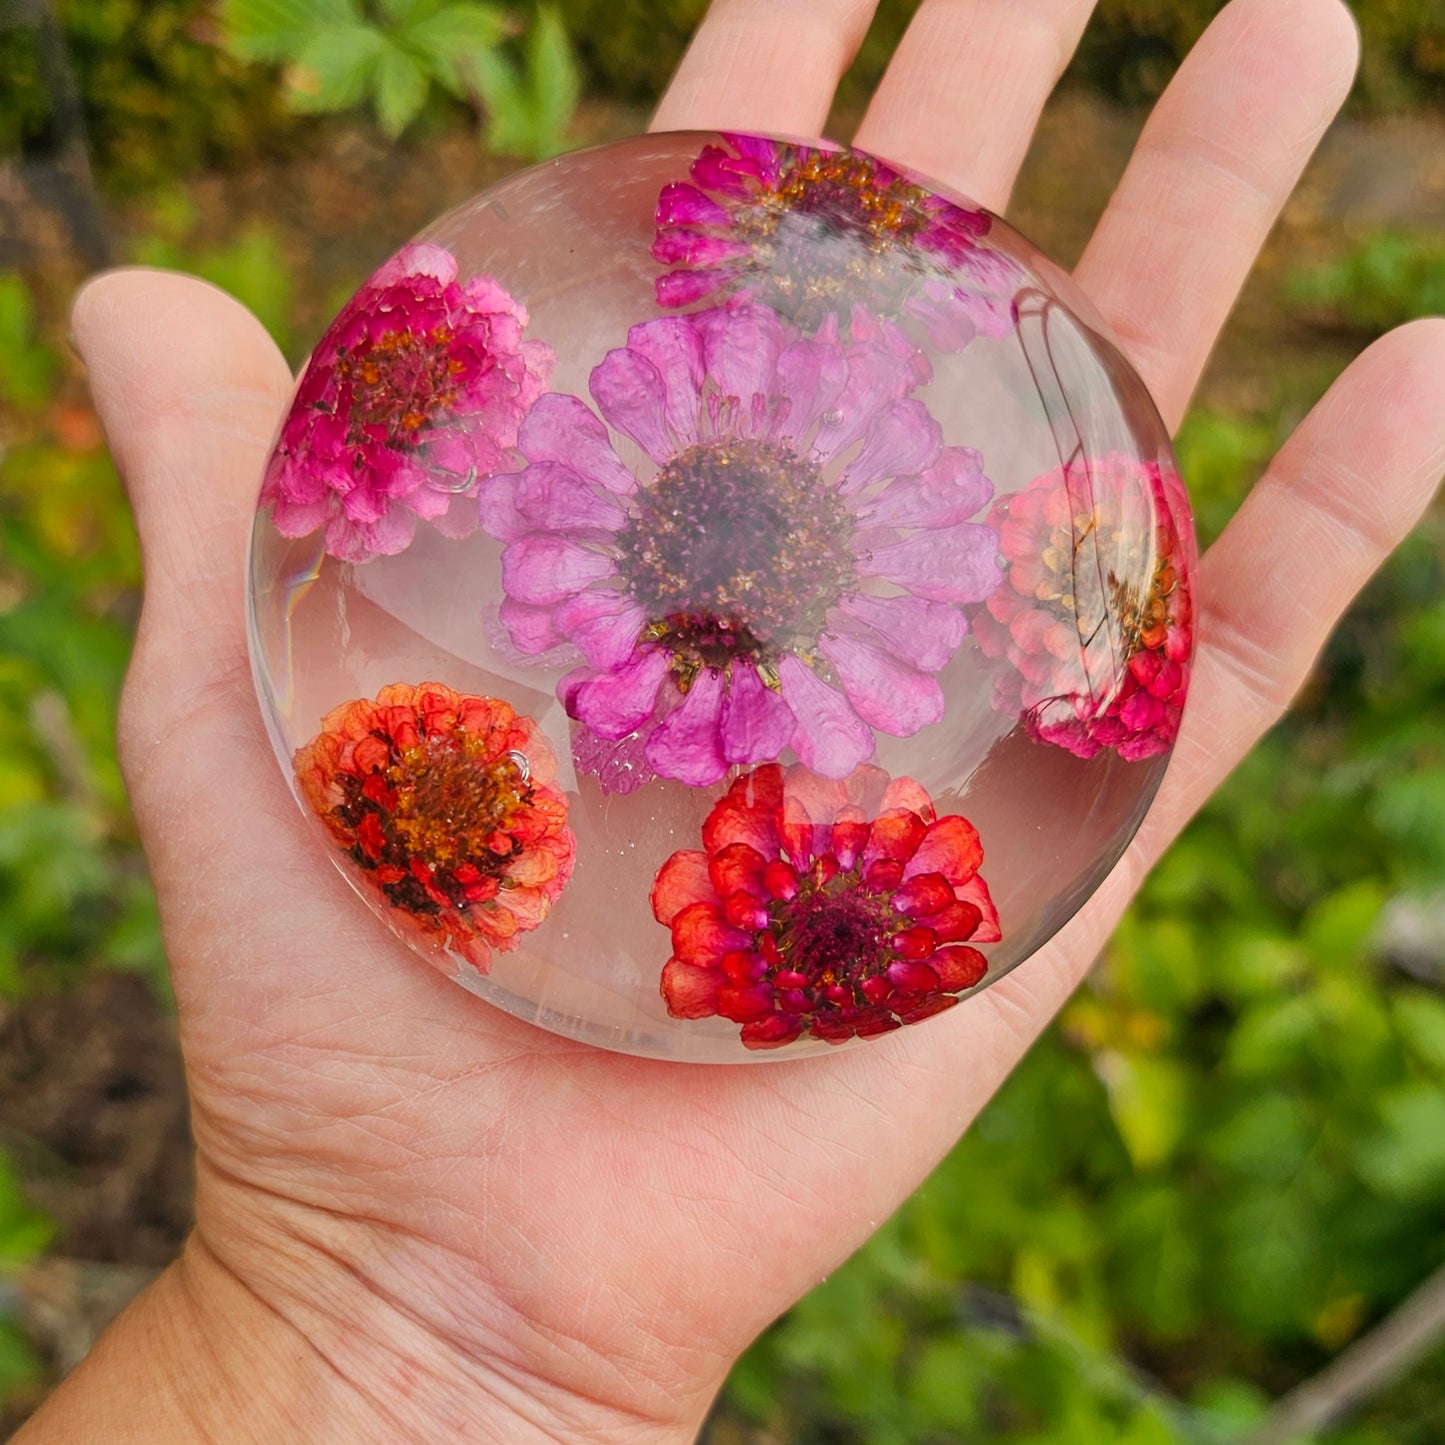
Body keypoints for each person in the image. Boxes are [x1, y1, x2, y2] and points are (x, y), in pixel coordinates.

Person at [18, 0, 1444, 1439]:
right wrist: (380, 1316)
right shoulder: (602, 505)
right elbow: (601, 511)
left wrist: (391, 1338)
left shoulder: (910, 533)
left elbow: (907, 531)